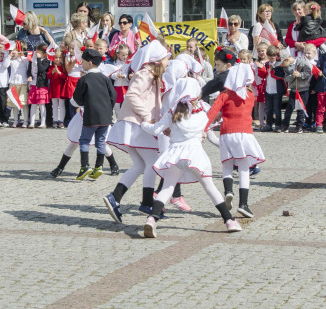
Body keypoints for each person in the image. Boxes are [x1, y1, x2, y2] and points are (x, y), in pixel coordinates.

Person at [141, 78, 242, 237]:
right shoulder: (203, 108)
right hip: (195, 153)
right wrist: (202, 131)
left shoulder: (174, 109)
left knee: (167, 188)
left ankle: (151, 220)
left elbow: (155, 130)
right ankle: (229, 221)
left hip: (175, 153)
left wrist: (143, 124)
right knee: (210, 187)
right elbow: (218, 119)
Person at [103, 41, 169, 223]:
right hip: (135, 124)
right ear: (157, 60)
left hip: (135, 123)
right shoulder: (146, 73)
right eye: (166, 58)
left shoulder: (152, 75)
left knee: (140, 164)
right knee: (152, 161)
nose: (168, 61)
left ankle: (115, 197)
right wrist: (147, 115)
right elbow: (131, 96)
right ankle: (147, 202)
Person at [205, 63, 264, 219]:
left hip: (226, 133)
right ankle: (243, 204)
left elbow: (211, 113)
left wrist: (202, 130)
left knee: (227, 165)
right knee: (244, 168)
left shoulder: (224, 95)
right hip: (244, 134)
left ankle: (228, 191)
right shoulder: (250, 96)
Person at [70, 48, 118, 180]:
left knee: (84, 140)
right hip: (106, 116)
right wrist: (109, 108)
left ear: (90, 63)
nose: (81, 64)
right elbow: (113, 95)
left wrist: (80, 103)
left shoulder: (84, 80)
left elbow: (77, 99)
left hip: (91, 116)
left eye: (83, 61)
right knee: (101, 141)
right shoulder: (105, 78)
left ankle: (84, 166)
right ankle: (99, 167)